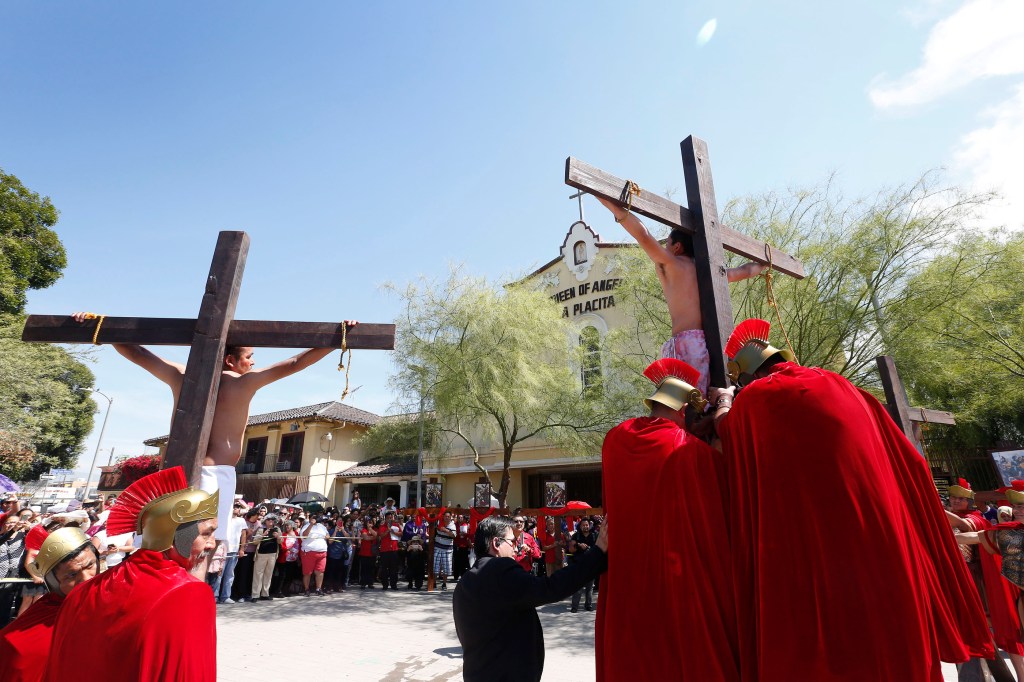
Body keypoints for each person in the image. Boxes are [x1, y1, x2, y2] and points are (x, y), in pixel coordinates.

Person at [712, 318, 992, 680]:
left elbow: (729, 434)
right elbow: (906, 458)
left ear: (746, 375)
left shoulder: (756, 399)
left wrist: (723, 403)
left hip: (825, 543)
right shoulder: (839, 383)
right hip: (884, 532)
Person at [70, 312, 355, 546]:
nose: (253, 361)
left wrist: (99, 327)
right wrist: (337, 337)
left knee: (166, 544)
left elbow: (135, 352)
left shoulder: (181, 375)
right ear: (230, 359)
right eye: (249, 356)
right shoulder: (242, 381)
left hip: (175, 472)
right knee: (201, 547)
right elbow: (295, 362)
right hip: (213, 474)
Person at [598, 357, 738, 681]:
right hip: (673, 575)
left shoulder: (613, 440)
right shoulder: (689, 450)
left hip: (625, 574)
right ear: (683, 410)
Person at [42, 466, 218, 681]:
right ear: (176, 535)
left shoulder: (85, 591)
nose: (212, 544)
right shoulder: (188, 591)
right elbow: (189, 673)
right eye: (207, 533)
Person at [595, 198, 764, 395]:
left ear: (677, 247)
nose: (664, 249)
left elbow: (643, 235)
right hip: (714, 344)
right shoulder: (711, 272)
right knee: (712, 400)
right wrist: (765, 263)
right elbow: (747, 270)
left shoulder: (672, 263)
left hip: (687, 343)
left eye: (667, 244)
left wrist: (607, 201)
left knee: (685, 407)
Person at [453, 515, 609, 682]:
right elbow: (551, 588)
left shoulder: (465, 582)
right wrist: (598, 552)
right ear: (496, 543)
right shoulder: (499, 569)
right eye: (512, 542)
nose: (515, 549)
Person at [944, 479, 1024, 680]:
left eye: (1022, 506)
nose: (1018, 510)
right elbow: (974, 537)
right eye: (1016, 506)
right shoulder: (1009, 532)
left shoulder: (979, 519)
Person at [0, 527, 100, 682]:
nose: (86, 579)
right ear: (53, 581)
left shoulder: (112, 600)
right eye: (72, 575)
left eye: (90, 566)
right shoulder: (40, 620)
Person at [212, 501, 248, 604]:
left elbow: (244, 535)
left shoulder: (241, 520)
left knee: (229, 575)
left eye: (237, 507)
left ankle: (225, 596)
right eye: (234, 507)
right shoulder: (223, 519)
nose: (236, 509)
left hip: (234, 550)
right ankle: (215, 596)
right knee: (218, 575)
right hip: (222, 550)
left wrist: (241, 549)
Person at [568, 518, 597, 613]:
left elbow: (598, 548)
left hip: (591, 564)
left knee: (590, 587)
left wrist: (590, 548)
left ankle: (588, 605)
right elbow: (571, 549)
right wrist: (578, 545)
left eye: (587, 525)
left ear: (589, 525)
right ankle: (574, 607)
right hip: (579, 564)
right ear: (580, 526)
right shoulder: (576, 536)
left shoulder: (594, 535)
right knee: (578, 587)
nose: (585, 527)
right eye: (583, 525)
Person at [250, 515, 282, 601]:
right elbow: (255, 542)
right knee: (258, 575)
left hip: (273, 554)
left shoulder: (277, 529)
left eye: (272, 519)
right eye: (269, 519)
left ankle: (265, 593)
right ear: (265, 521)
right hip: (261, 554)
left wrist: (278, 537)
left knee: (268, 574)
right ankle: (255, 595)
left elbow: (281, 541)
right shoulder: (261, 529)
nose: (271, 521)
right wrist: (263, 535)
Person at [300, 515, 329, 596]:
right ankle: (306, 589)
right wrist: (311, 524)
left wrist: (327, 536)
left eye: (316, 518)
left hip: (322, 551)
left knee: (320, 571)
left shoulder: (322, 526)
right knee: (307, 572)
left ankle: (318, 588)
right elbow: (304, 536)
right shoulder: (306, 526)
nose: (315, 519)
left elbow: (327, 535)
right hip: (309, 551)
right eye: (313, 518)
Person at [433, 511, 457, 590]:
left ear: (450, 517)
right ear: (443, 516)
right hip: (437, 546)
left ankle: (444, 584)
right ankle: (434, 583)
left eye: (448, 516)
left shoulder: (452, 525)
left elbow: (454, 535)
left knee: (446, 567)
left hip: (447, 549)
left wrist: (446, 530)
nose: (446, 518)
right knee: (435, 566)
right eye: (445, 516)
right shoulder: (439, 522)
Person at [377, 511, 401, 590]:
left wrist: (393, 531)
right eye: (388, 518)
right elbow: (381, 536)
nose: (390, 519)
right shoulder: (382, 526)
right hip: (385, 550)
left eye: (391, 518)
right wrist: (388, 530)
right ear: (385, 519)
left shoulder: (396, 525)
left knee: (394, 568)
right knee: (384, 568)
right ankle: (385, 585)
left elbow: (401, 534)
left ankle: (394, 585)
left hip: (394, 549)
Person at [357, 517, 378, 589]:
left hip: (372, 553)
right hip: (364, 552)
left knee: (371, 568)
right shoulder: (363, 529)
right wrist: (372, 537)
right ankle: (363, 583)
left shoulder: (375, 529)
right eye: (368, 523)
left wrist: (370, 530)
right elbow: (365, 537)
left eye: (371, 522)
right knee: (364, 568)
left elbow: (376, 535)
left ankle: (370, 583)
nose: (370, 524)